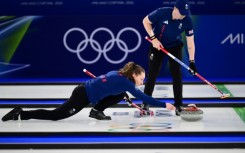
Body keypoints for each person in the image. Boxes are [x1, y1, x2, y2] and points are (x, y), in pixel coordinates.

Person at [2, 62, 175, 122]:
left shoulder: (120, 75)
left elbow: (110, 84)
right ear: (134, 75)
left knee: (121, 94)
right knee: (56, 115)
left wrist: (122, 93)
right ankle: (21, 113)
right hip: (82, 96)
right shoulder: (126, 83)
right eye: (141, 79)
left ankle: (97, 110)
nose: (142, 82)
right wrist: (164, 104)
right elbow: (144, 97)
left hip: (84, 89)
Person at [141, 0, 197, 116]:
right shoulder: (162, 12)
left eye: (185, 13)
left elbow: (190, 43)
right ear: (175, 9)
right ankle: (145, 103)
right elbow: (146, 21)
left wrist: (192, 62)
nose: (183, 15)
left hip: (175, 46)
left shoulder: (187, 20)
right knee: (153, 73)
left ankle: (179, 104)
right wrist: (153, 39)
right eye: (181, 12)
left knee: (177, 74)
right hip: (158, 45)